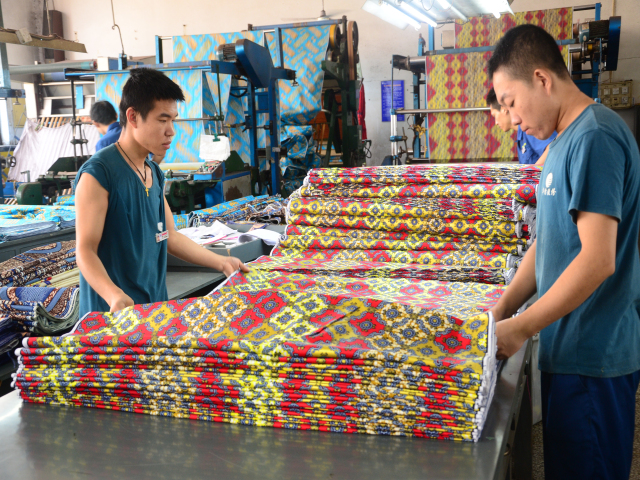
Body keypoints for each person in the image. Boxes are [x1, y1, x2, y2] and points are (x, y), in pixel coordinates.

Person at [488, 24, 640, 480]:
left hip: (592, 358)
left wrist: (522, 327)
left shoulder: (595, 138)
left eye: (511, 102)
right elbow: (549, 241)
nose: (512, 119)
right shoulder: (560, 145)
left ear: (541, 79)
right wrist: (501, 311)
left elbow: (598, 259)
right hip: (567, 351)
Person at [75, 68, 249, 317]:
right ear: (133, 117)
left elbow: (170, 236)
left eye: (173, 120)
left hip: (153, 310)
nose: (171, 131)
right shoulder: (99, 173)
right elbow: (85, 250)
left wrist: (221, 261)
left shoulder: (153, 172)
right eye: (162, 120)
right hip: (112, 315)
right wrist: (113, 294)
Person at [485, 87, 557, 164]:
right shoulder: (521, 136)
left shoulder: (529, 127)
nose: (496, 123)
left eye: (494, 115)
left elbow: (553, 149)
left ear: (504, 109)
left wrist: (533, 171)